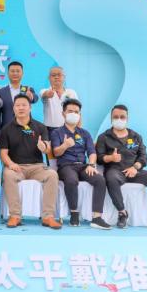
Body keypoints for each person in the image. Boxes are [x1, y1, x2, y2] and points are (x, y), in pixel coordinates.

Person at [96, 104, 147, 230]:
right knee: (111, 179)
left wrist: (135, 167)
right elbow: (99, 158)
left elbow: (144, 156)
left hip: (134, 171)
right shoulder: (104, 137)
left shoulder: (136, 136)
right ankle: (122, 213)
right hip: (115, 171)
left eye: (122, 117)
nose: (119, 119)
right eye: (116, 117)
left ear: (127, 118)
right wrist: (110, 158)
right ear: (111, 118)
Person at [0, 94, 62, 229]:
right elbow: (3, 154)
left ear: (30, 108)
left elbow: (47, 148)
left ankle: (48, 217)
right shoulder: (6, 129)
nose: (21, 108)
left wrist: (43, 147)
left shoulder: (40, 127)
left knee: (52, 175)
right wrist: (11, 164)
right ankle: (15, 216)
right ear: (13, 108)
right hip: (16, 167)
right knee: (8, 174)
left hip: (37, 167)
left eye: (24, 105)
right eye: (18, 105)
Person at [50, 98, 110, 229]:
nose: (73, 114)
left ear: (79, 115)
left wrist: (91, 165)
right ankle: (74, 213)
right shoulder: (57, 132)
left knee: (100, 180)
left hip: (83, 166)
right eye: (70, 111)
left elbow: (92, 152)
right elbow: (56, 153)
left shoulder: (85, 133)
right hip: (66, 166)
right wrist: (65, 145)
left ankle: (97, 217)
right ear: (63, 113)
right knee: (72, 180)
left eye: (76, 112)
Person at [0, 61, 38, 128]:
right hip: (7, 128)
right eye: (12, 71)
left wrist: (31, 97)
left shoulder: (28, 89)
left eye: (18, 71)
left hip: (26, 128)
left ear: (22, 73)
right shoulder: (0, 92)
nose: (15, 73)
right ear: (8, 73)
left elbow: (35, 98)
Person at [40, 66, 78, 134]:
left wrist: (79, 129)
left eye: (59, 75)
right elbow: (45, 94)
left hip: (69, 128)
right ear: (49, 78)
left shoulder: (72, 93)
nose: (56, 77)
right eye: (53, 75)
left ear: (64, 77)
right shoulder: (43, 91)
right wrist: (49, 93)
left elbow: (78, 112)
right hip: (50, 130)